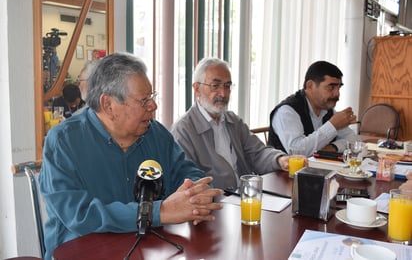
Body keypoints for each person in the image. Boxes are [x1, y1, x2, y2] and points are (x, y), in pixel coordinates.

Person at [39, 53, 223, 260]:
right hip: (82, 251)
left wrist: (195, 192)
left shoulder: (155, 133)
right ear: (108, 105)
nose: (153, 106)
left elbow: (186, 172)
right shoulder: (64, 141)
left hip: (146, 248)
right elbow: (79, 215)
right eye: (144, 100)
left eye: (152, 97)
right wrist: (157, 212)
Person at [170, 57, 297, 190]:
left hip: (245, 195)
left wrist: (280, 160)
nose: (223, 93)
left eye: (227, 86)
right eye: (215, 86)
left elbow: (257, 153)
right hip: (215, 204)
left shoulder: (233, 121)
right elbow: (189, 180)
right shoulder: (183, 130)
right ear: (197, 89)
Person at [268, 60, 358, 156]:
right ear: (310, 86)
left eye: (339, 88)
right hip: (284, 170)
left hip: (316, 169)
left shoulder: (326, 109)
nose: (337, 94)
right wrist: (332, 126)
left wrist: (333, 147)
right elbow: (297, 151)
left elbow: (353, 140)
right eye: (331, 87)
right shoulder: (287, 111)